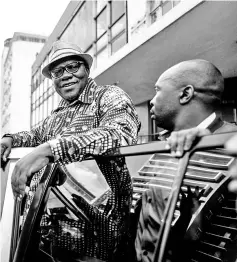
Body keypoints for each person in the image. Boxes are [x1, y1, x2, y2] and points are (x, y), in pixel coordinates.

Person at [0, 40, 141, 262]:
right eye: (58, 71)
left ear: (87, 69)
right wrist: (9, 139)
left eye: (73, 67)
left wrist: (51, 149)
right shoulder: (56, 115)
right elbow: (33, 136)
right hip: (54, 237)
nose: (66, 75)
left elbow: (120, 135)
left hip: (99, 241)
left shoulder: (108, 96)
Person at [135, 59, 237, 262]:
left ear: (185, 94)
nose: (152, 101)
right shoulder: (161, 146)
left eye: (158, 90)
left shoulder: (231, 142)